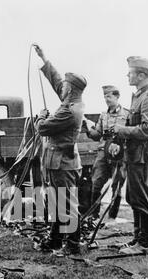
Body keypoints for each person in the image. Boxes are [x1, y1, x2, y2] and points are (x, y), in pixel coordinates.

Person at [33, 44, 87, 254]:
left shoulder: (69, 110)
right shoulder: (71, 100)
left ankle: (72, 245)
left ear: (71, 89)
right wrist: (44, 59)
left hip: (62, 164)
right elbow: (57, 82)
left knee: (66, 204)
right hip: (59, 163)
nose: (61, 87)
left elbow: (43, 128)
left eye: (65, 85)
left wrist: (41, 116)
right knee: (57, 202)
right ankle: (55, 241)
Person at [111, 57, 148, 254]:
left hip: (141, 157)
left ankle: (144, 243)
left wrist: (122, 130)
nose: (127, 75)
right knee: (133, 197)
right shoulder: (139, 96)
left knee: (141, 198)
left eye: (130, 73)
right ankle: (137, 238)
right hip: (133, 155)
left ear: (141, 75)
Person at [86, 86, 129, 224]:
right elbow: (97, 135)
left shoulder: (127, 114)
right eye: (105, 97)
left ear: (117, 97)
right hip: (103, 153)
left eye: (109, 97)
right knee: (96, 182)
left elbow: (131, 133)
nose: (106, 100)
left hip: (119, 154)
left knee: (117, 185)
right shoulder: (103, 115)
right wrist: (88, 128)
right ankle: (94, 215)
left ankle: (112, 217)